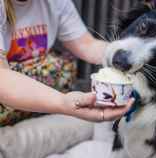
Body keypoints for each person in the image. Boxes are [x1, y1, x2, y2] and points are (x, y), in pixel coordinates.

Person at [0, 0, 134, 125]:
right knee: (56, 66)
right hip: (8, 85)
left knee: (63, 68)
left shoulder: (56, 2)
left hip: (28, 84)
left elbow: (86, 45)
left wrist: (128, 54)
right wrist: (63, 103)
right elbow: (2, 78)